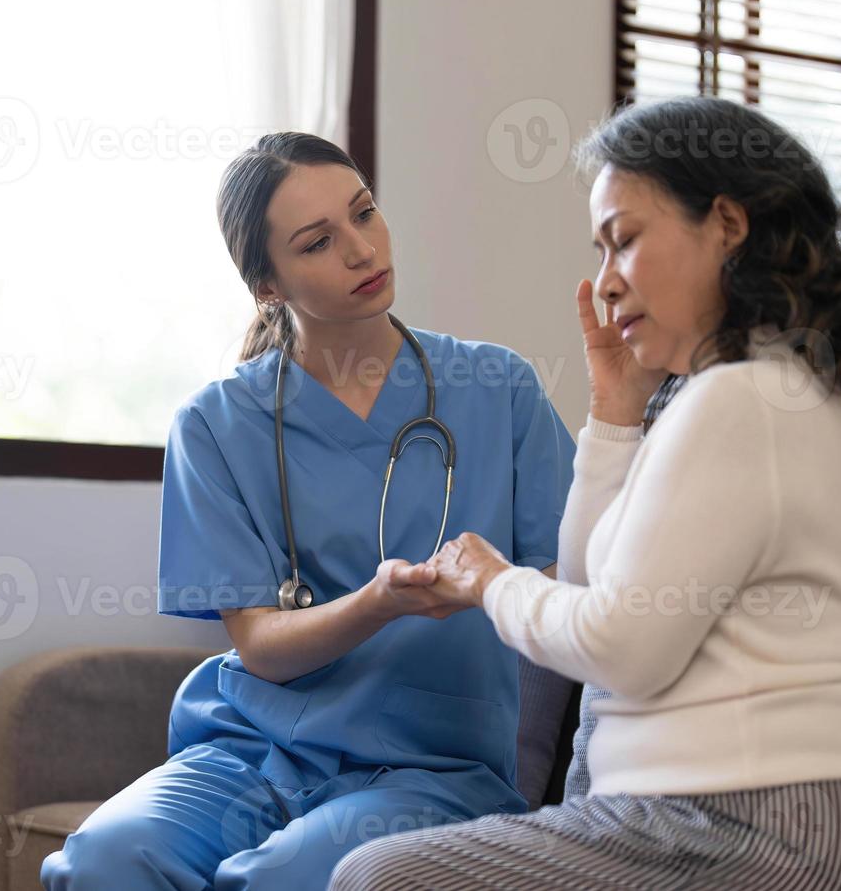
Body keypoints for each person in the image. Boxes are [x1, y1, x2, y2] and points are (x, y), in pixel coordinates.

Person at [330, 97, 841, 890]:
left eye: (625, 242)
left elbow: (618, 647)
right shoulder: (746, 393)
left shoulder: (741, 398)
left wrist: (495, 583)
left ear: (727, 227)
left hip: (757, 827)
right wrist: (615, 412)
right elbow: (590, 588)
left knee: (378, 878)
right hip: (729, 823)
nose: (604, 284)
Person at [39, 131, 577, 889]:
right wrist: (378, 604)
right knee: (106, 860)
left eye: (365, 213)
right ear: (268, 286)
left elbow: (567, 580)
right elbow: (259, 644)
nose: (362, 250)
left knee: (282, 879)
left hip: (431, 767)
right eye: (319, 242)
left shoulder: (499, 389)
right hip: (248, 748)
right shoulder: (216, 425)